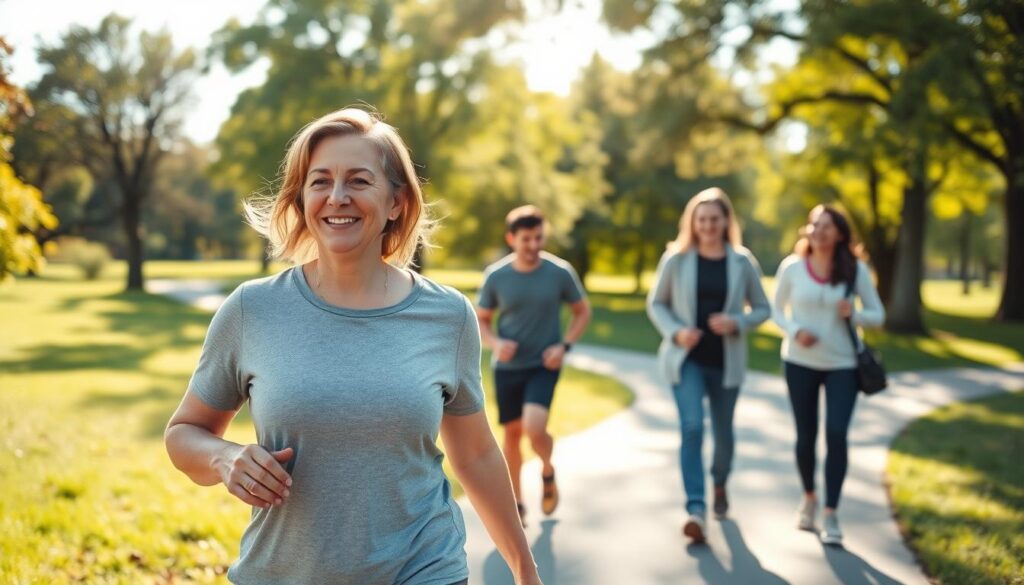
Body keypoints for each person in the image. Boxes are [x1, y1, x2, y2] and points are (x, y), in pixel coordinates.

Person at [164, 108, 542, 585]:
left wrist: (526, 572)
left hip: (424, 567)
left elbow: (476, 455)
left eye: (359, 181)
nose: (336, 197)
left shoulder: (448, 316)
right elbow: (183, 434)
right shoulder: (252, 309)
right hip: (284, 572)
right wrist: (224, 458)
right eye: (319, 181)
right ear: (302, 199)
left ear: (396, 203)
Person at [646, 187, 770, 543]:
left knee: (724, 435)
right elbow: (657, 303)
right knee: (692, 427)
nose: (708, 225)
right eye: (702, 219)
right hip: (686, 361)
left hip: (726, 362)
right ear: (692, 222)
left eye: (715, 219)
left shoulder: (742, 261)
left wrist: (737, 322)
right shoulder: (676, 259)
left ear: (726, 221)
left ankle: (719, 483)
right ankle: (695, 509)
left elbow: (763, 308)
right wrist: (676, 331)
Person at [772, 204, 885, 546]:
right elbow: (775, 311)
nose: (818, 231)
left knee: (836, 434)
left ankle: (831, 513)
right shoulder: (792, 268)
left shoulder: (854, 271)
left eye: (826, 226)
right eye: (813, 225)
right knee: (805, 436)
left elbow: (878, 314)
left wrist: (855, 315)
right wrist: (794, 329)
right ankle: (809, 497)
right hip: (799, 362)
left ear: (839, 234)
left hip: (843, 365)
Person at [476, 205, 591, 526]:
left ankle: (547, 467)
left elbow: (582, 311)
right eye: (526, 239)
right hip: (508, 368)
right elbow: (482, 320)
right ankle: (517, 503)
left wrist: (564, 346)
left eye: (538, 238)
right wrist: (497, 343)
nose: (533, 245)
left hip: (544, 364)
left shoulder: (559, 272)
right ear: (512, 238)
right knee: (512, 435)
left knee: (534, 427)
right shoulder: (497, 276)